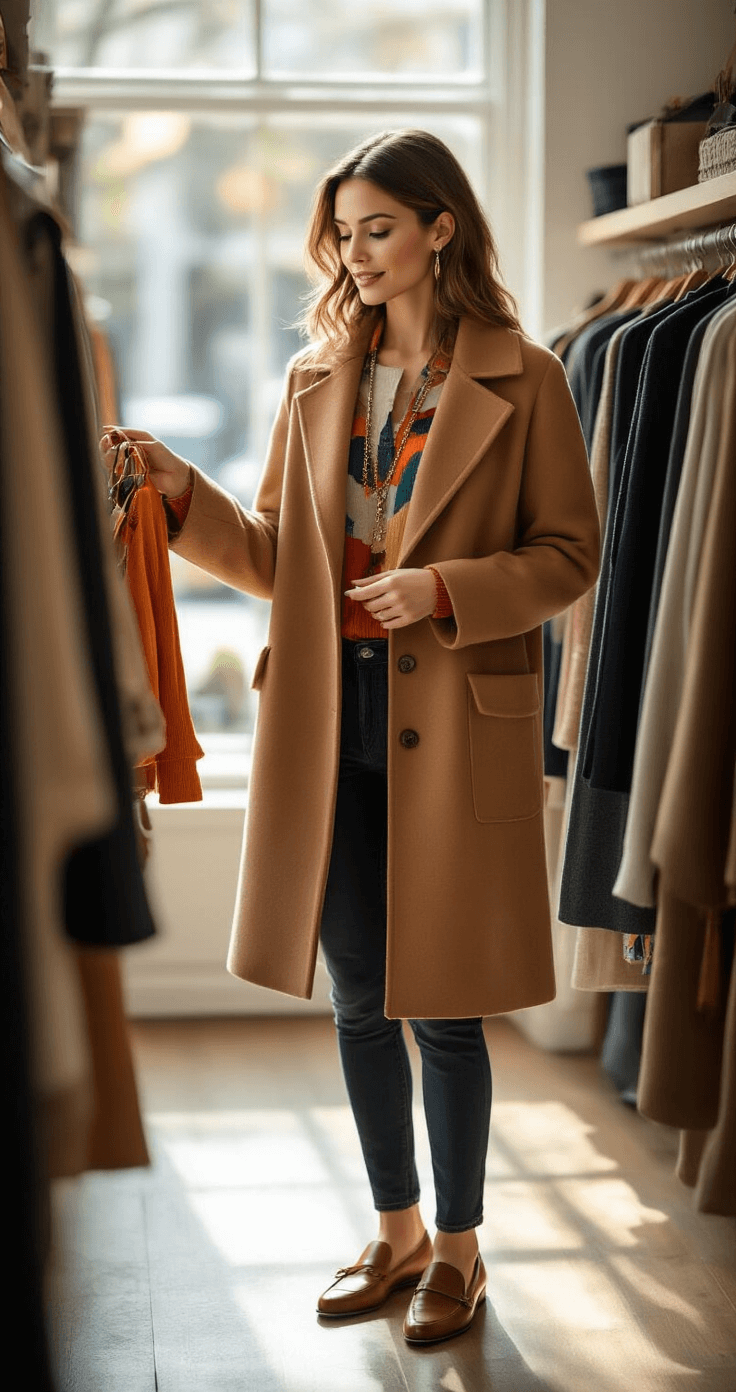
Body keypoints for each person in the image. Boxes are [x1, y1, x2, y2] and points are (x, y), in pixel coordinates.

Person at [102, 128, 600, 1345]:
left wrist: (446, 591)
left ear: (440, 227)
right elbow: (278, 560)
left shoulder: (524, 378)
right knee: (363, 997)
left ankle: (464, 1252)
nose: (354, 253)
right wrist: (177, 493)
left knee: (448, 1003)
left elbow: (571, 557)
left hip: (457, 720)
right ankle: (394, 1230)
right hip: (333, 722)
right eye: (342, 232)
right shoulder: (315, 380)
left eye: (379, 227)